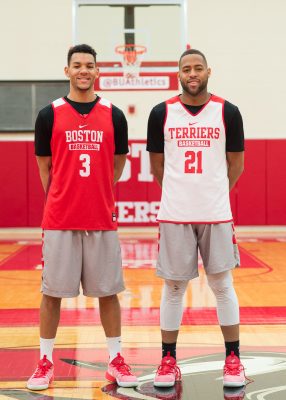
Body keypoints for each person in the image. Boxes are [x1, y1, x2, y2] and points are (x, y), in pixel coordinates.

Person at [27, 44, 138, 390]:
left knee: (109, 293)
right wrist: (64, 194)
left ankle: (115, 360)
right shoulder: (49, 114)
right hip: (60, 218)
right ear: (67, 71)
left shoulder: (114, 114)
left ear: (97, 71)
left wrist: (96, 191)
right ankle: (45, 362)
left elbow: (117, 165)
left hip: (101, 218)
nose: (84, 71)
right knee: (52, 294)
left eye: (89, 65)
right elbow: (45, 168)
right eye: (77, 65)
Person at [147, 49, 245, 388]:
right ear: (178, 73)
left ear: (208, 71)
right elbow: (157, 166)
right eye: (186, 68)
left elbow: (237, 164)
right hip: (175, 214)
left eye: (198, 68)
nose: (192, 73)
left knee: (222, 286)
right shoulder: (161, 112)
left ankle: (233, 359)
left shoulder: (228, 112)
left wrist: (214, 192)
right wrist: (180, 193)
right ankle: (167, 361)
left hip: (216, 214)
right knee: (174, 288)